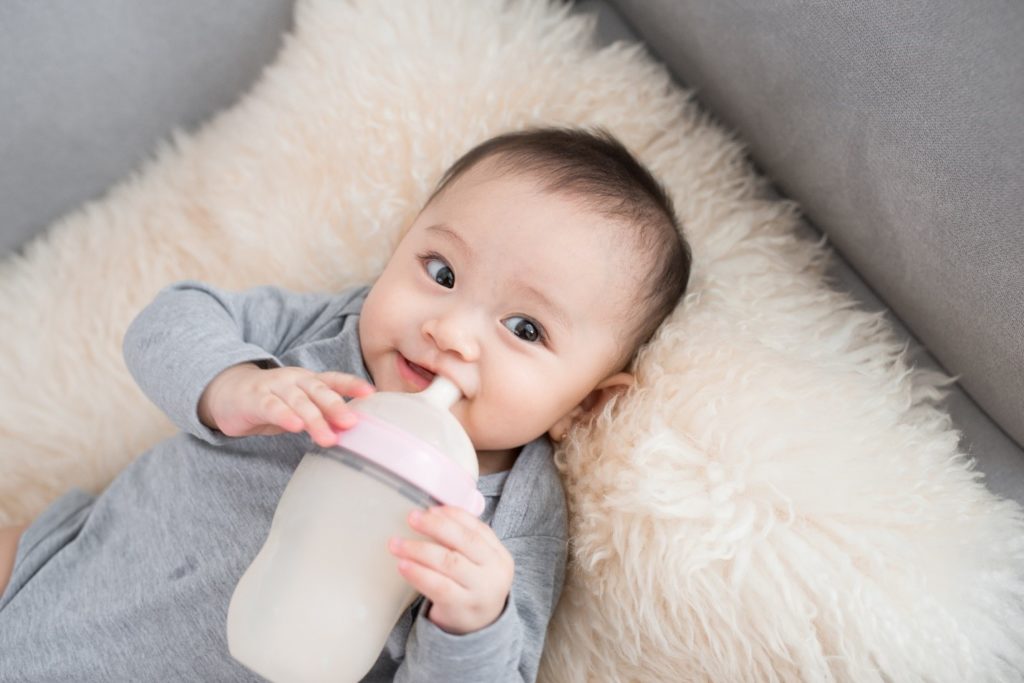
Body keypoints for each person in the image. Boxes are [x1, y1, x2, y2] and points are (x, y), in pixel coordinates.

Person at [0, 127, 691, 681]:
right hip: (60, 570)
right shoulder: (332, 332)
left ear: (586, 406)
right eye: (441, 272)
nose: (449, 331)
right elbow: (170, 320)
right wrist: (234, 383)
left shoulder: (507, 521)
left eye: (525, 329)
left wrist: (471, 622)